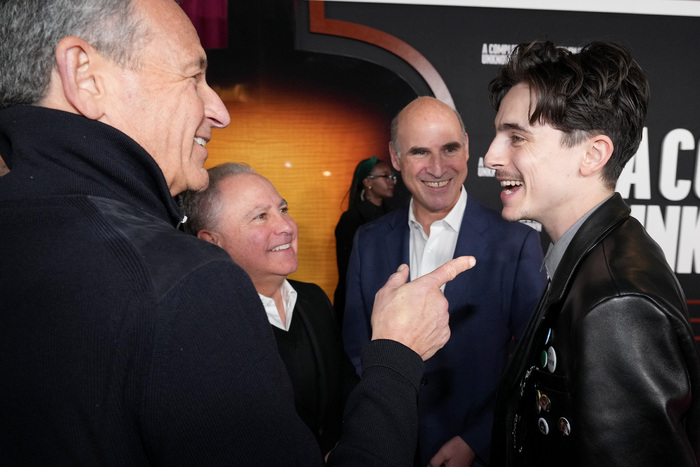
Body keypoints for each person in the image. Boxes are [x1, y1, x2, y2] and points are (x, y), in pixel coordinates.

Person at [0, 0, 477, 465]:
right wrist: (396, 356)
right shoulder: (188, 284)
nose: (219, 110)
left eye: (281, 209)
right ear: (84, 74)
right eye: (193, 76)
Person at [485, 40, 700, 466]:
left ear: (592, 155)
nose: (491, 156)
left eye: (516, 137)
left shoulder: (617, 301)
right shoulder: (588, 262)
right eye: (498, 136)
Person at [342, 96, 547, 466]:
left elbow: (534, 363)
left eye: (449, 148)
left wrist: (477, 440)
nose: (437, 168)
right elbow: (358, 345)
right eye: (420, 151)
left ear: (467, 147)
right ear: (396, 155)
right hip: (385, 446)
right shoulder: (369, 241)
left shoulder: (515, 243)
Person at [181, 162, 360, 457]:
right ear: (212, 243)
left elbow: (346, 387)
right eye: (260, 216)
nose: (286, 227)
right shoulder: (202, 332)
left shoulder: (313, 300)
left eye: (283, 209)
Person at [334, 155, 396, 321]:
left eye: (392, 176)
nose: (391, 181)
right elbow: (348, 270)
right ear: (367, 182)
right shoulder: (352, 220)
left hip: (391, 303)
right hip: (360, 306)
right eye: (385, 176)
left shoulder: (395, 217)